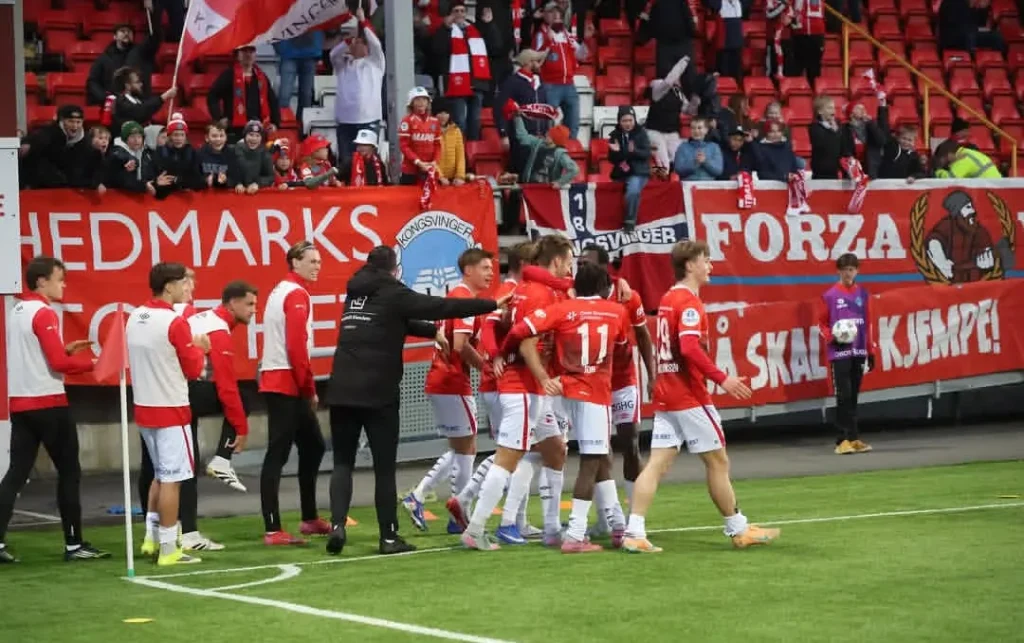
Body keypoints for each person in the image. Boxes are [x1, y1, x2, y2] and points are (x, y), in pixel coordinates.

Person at [324, 246, 507, 556]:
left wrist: (430, 332)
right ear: (394, 269)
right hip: (378, 392)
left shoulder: (355, 295)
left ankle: (337, 525)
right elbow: (438, 306)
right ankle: (388, 537)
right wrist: (489, 304)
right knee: (384, 468)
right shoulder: (394, 291)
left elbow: (396, 322)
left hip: (341, 387)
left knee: (342, 463)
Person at [622, 240, 780, 553]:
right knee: (718, 461)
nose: (710, 267)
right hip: (688, 395)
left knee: (657, 464)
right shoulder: (689, 304)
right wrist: (723, 379)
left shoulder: (667, 298)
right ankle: (737, 528)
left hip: (668, 393)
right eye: (706, 261)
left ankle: (634, 531)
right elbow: (690, 348)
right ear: (690, 264)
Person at [502, 261, 632, 553]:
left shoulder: (563, 308)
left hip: (563, 390)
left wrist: (512, 358)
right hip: (594, 391)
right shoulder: (617, 312)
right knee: (592, 459)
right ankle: (575, 534)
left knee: (591, 457)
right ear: (605, 288)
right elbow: (623, 349)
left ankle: (617, 525)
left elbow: (521, 333)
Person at [461, 234, 576, 551]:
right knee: (507, 459)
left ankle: (551, 528)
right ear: (554, 262)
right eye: (567, 263)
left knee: (554, 449)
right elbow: (526, 340)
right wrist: (543, 375)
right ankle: (476, 527)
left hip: (529, 388)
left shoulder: (524, 290)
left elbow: (511, 329)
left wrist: (500, 352)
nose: (569, 270)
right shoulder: (540, 294)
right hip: (524, 387)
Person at [0, 257, 108, 564]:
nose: (64, 285)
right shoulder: (43, 312)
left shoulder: (17, 310)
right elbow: (59, 364)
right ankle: (74, 545)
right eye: (59, 279)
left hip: (21, 403)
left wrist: (66, 351)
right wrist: (96, 364)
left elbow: (44, 355)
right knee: (70, 473)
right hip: (48, 402)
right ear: (41, 282)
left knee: (15, 475)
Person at [404, 249, 497, 533]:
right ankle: (456, 511)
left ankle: (423, 498)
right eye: (484, 268)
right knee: (467, 448)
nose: (490, 273)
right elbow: (459, 345)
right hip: (453, 380)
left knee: (460, 447)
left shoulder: (453, 296)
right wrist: (485, 366)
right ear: (468, 270)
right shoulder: (465, 300)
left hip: (442, 379)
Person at [128, 262, 210, 566]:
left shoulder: (135, 316)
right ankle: (168, 548)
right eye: (182, 282)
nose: (186, 286)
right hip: (171, 407)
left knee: (159, 476)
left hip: (145, 406)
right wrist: (200, 347)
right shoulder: (174, 323)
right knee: (173, 479)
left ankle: (151, 538)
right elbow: (193, 369)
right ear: (169, 286)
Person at [258, 241, 329, 546]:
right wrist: (308, 388)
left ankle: (309, 517)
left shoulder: (282, 290)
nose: (317, 266)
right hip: (286, 382)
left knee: (313, 446)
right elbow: (296, 348)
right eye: (312, 261)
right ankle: (273, 529)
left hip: (281, 379)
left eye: (319, 261)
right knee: (278, 454)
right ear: (295, 262)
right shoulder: (296, 294)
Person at [579, 246, 654, 531]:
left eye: (587, 263)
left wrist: (652, 375)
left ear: (604, 267)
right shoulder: (575, 294)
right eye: (579, 262)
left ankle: (636, 517)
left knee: (631, 443)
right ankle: (607, 518)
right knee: (600, 449)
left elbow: (644, 337)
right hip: (594, 384)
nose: (581, 267)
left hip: (623, 381)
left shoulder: (627, 297)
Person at [188, 282, 258, 491]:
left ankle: (179, 523)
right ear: (233, 303)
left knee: (184, 469)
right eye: (249, 304)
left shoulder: (207, 319)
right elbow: (226, 386)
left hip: (167, 389)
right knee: (242, 398)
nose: (254, 310)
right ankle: (222, 460)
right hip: (181, 391)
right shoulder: (218, 330)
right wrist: (241, 428)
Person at [819, 253, 874, 455]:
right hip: (840, 352)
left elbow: (868, 323)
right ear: (838, 271)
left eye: (851, 270)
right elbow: (821, 323)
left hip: (858, 350)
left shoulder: (863, 294)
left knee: (853, 397)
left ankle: (853, 437)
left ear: (857, 271)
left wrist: (871, 350)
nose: (848, 273)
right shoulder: (830, 295)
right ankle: (841, 440)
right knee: (843, 396)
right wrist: (830, 337)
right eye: (844, 270)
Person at [330, 10, 386, 165]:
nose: (357, 44)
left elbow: (376, 44)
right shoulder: (343, 64)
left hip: (368, 120)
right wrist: (348, 41)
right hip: (345, 121)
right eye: (356, 42)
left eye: (361, 42)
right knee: (346, 162)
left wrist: (363, 22)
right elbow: (333, 55)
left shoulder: (375, 63)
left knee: (368, 161)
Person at [207, 45, 281, 142]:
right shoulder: (228, 75)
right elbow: (212, 96)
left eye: (251, 51)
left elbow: (272, 101)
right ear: (238, 54)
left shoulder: (262, 77)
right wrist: (219, 118)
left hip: (258, 130)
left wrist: (275, 123)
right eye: (244, 51)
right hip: (234, 130)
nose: (248, 55)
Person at [608, 107, 652, 233]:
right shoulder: (614, 135)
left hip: (639, 172)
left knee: (632, 191)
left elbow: (647, 154)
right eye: (624, 120)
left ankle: (630, 221)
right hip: (621, 173)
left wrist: (635, 151)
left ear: (634, 120)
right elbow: (612, 159)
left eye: (630, 120)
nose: (628, 123)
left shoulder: (641, 133)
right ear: (619, 121)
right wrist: (616, 152)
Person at [399, 87, 442, 185]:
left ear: (428, 102)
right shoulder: (407, 121)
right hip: (410, 170)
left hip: (429, 169)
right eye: (417, 100)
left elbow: (438, 145)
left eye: (424, 99)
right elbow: (404, 146)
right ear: (411, 102)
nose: (421, 103)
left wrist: (435, 161)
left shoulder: (435, 122)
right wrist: (418, 162)